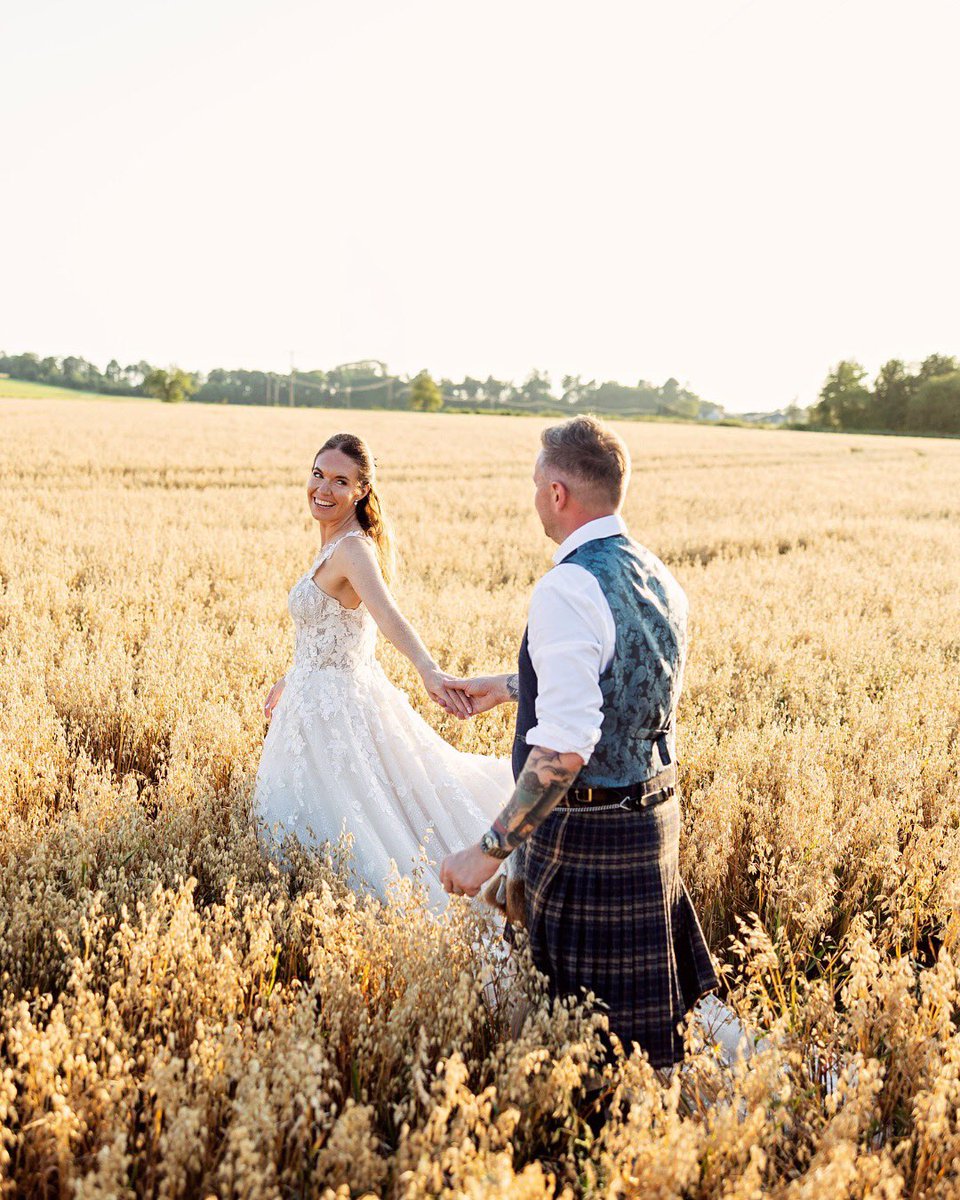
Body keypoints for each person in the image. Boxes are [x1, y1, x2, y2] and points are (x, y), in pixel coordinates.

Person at [440, 415, 719, 1070]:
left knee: (581, 1049)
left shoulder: (567, 585)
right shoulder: (658, 574)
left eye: (538, 485)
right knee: (637, 1053)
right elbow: (622, 684)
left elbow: (564, 752)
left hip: (587, 839)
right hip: (654, 823)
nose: (535, 496)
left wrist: (487, 851)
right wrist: (513, 686)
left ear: (558, 493)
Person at [252, 432, 513, 909]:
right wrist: (297, 674)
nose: (322, 489)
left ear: (361, 491)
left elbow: (389, 620)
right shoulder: (334, 543)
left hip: (336, 713)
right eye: (317, 475)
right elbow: (335, 630)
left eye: (339, 481)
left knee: (359, 830)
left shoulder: (353, 549)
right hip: (311, 698)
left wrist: (429, 672)